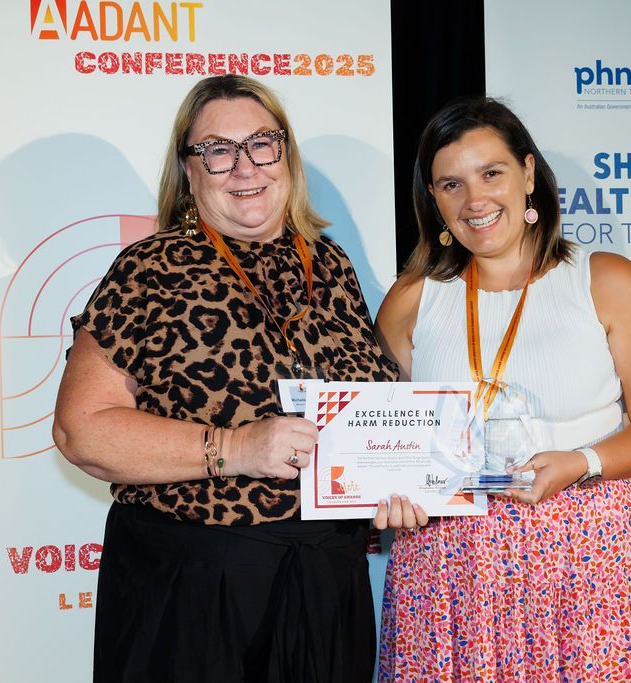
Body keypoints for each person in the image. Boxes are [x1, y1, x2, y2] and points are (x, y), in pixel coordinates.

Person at [53, 74, 398, 682]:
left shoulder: (333, 266)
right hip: (193, 583)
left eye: (262, 143)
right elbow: (82, 431)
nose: (244, 167)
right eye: (218, 149)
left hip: (325, 582)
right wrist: (237, 447)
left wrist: (393, 483)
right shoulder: (150, 267)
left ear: (285, 153)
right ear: (189, 169)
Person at [372, 97, 631, 681]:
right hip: (447, 568)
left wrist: (582, 461)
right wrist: (387, 494)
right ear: (434, 201)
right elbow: (383, 435)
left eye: (490, 173)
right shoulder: (413, 298)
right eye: (451, 184)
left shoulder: (605, 280)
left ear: (528, 173)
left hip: (585, 557)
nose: (475, 200)